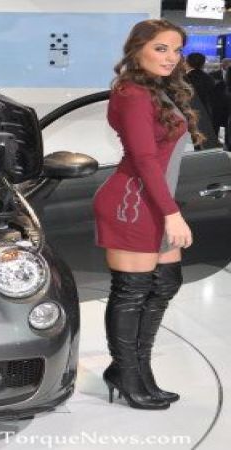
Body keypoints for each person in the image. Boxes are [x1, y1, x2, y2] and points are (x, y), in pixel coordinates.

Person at [93, 19, 203, 410]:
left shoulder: (156, 91)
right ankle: (128, 373)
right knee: (132, 292)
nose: (171, 57)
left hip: (152, 201)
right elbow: (142, 158)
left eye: (176, 50)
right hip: (133, 203)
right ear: (137, 48)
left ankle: (134, 369)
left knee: (164, 285)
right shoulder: (132, 92)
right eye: (161, 48)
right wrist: (172, 213)